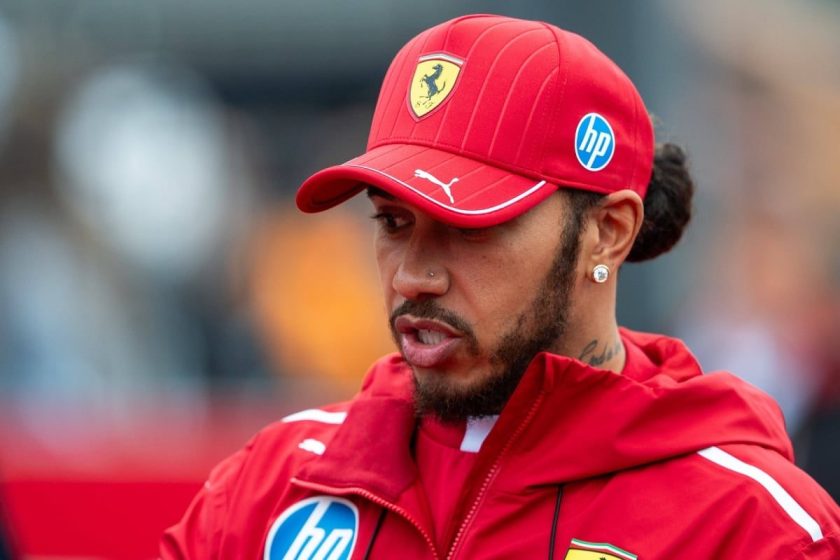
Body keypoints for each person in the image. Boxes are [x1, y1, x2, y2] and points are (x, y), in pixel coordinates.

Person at [161, 14, 840, 559]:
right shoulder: (270, 486)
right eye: (393, 221)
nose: (413, 275)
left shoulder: (748, 527)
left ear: (607, 233)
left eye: (469, 226)